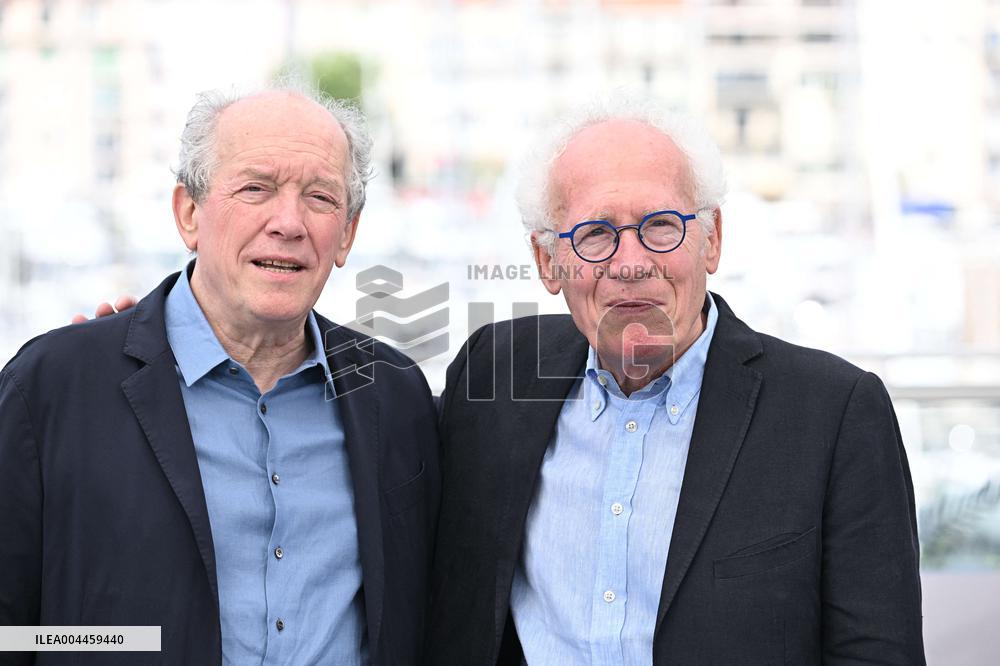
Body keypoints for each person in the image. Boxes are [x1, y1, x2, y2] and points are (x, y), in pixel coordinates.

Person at [426, 97, 925, 664]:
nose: (632, 262)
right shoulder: (494, 374)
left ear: (711, 241)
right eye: (595, 233)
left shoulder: (834, 414)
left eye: (661, 226)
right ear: (547, 262)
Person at [0, 84, 439, 664]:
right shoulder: (56, 387)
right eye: (256, 188)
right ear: (189, 212)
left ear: (348, 234)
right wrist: (124, 641)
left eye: (320, 197)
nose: (289, 222)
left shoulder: (395, 393)